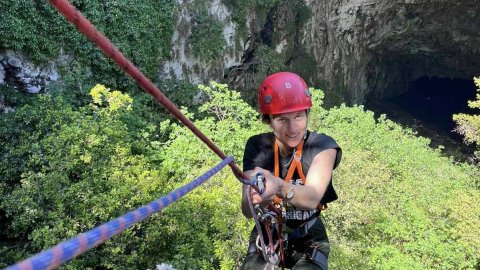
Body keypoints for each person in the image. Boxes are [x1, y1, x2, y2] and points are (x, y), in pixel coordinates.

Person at [240, 72, 342, 269]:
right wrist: (253, 189)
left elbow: (312, 197)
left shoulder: (323, 146)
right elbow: (246, 211)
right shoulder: (257, 146)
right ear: (269, 121)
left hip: (309, 236)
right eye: (282, 120)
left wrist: (278, 186)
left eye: (298, 116)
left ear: (307, 115)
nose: (293, 127)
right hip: (267, 233)